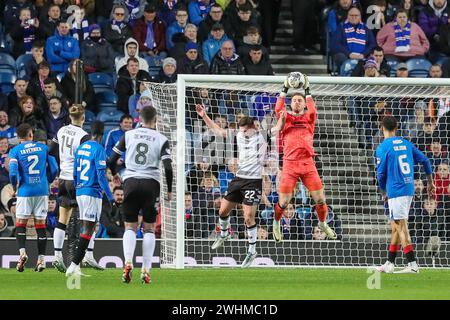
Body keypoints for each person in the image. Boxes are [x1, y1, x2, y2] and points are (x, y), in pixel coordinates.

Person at [195, 104, 267, 268]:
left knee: (248, 216)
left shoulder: (262, 136)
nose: (241, 133)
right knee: (223, 210)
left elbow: (278, 128)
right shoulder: (238, 136)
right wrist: (204, 116)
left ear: (252, 129)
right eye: (240, 130)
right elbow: (218, 131)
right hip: (238, 179)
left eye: (243, 130)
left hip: (253, 181)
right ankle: (224, 234)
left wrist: (283, 117)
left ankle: (251, 250)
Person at [108, 106, 173, 284]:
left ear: (139, 119)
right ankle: (145, 269)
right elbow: (167, 167)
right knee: (149, 228)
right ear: (156, 119)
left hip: (130, 181)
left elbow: (111, 159)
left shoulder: (128, 135)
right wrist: (169, 190)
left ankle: (128, 261)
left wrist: (114, 174)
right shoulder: (161, 138)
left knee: (130, 226)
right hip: (151, 183)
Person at [271, 73, 337, 242]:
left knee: (321, 200)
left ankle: (322, 223)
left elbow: (313, 108)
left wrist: (307, 90)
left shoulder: (309, 118)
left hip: (308, 163)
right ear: (291, 103)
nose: (297, 102)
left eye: (300, 100)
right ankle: (276, 222)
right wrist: (284, 89)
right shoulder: (285, 117)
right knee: (284, 202)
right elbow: (278, 109)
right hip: (290, 165)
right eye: (294, 100)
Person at [375, 115, 435, 273]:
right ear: (396, 128)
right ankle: (389, 263)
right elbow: (426, 161)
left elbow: (380, 174)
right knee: (395, 225)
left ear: (382, 128)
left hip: (395, 191)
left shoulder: (383, 147)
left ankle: (412, 264)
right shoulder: (406, 143)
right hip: (408, 189)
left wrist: (383, 191)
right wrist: (430, 182)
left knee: (401, 226)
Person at [49, 104, 102, 272]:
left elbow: (51, 150)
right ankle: (88, 256)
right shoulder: (84, 136)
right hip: (78, 180)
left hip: (63, 178)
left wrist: (63, 161)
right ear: (83, 117)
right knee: (89, 220)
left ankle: (57, 256)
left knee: (62, 218)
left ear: (70, 117)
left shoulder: (61, 130)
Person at [8, 123, 58, 272]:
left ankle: (22, 253)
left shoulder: (15, 150)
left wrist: (15, 186)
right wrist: (48, 180)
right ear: (31, 135)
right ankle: (41, 260)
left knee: (21, 224)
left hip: (25, 191)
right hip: (42, 191)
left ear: (18, 137)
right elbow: (54, 167)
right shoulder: (44, 148)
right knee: (41, 225)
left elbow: (12, 173)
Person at [65, 135, 114, 276]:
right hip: (92, 192)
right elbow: (101, 175)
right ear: (99, 136)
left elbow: (74, 173)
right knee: (88, 229)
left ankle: (84, 259)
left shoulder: (79, 149)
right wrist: (110, 197)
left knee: (89, 227)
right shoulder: (98, 149)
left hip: (80, 190)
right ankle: (74, 265)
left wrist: (77, 190)